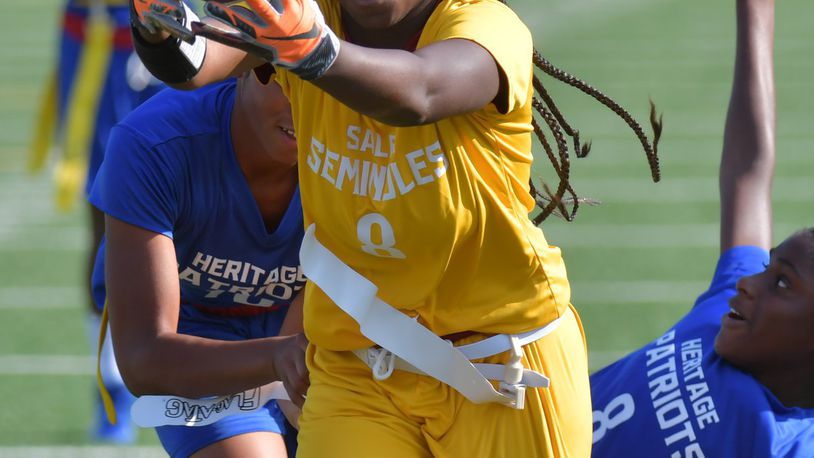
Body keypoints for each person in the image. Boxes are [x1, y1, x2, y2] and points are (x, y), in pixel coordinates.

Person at [130, 0, 661, 456]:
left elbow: (419, 93)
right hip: (359, 366)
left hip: (503, 363)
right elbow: (194, 62)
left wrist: (313, 50)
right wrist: (158, 25)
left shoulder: (484, 26)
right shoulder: (307, 18)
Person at [590, 0, 814, 456]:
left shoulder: (785, 445)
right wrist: (757, 14)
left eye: (783, 282)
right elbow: (748, 173)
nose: (750, 283)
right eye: (770, 266)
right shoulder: (723, 317)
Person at [88, 63, 309, 457]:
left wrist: (299, 346)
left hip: (321, 326)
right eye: (279, 76)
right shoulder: (156, 141)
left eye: (319, 77)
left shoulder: (360, 134)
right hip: (197, 332)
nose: (302, 101)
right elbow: (145, 356)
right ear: (239, 62)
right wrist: (280, 355)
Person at [28, 0, 164, 444]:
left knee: (188, 210)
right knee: (105, 223)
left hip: (171, 27)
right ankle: (112, 388)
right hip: (98, 33)